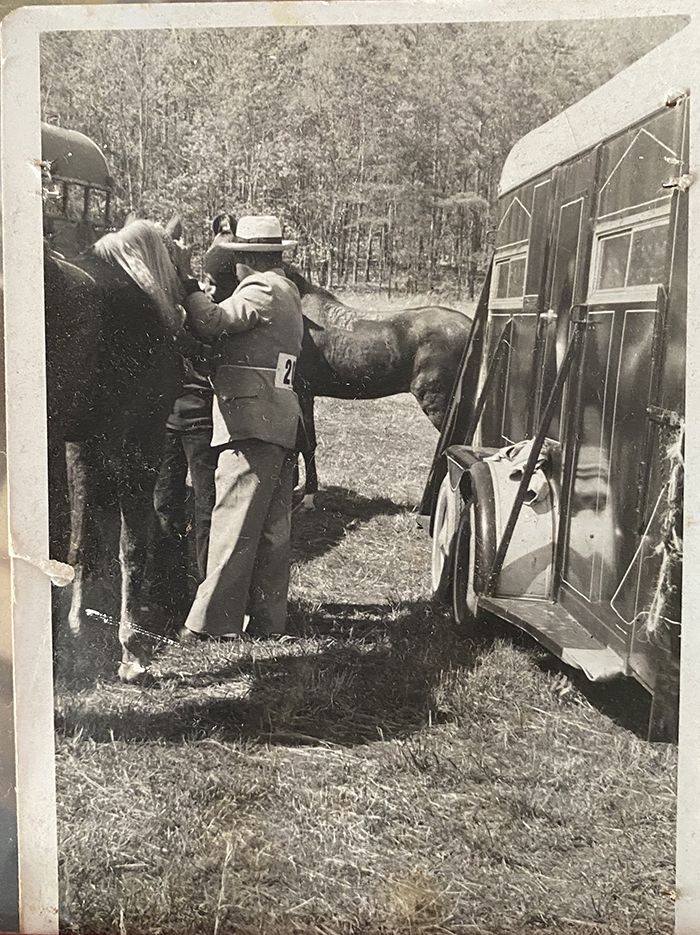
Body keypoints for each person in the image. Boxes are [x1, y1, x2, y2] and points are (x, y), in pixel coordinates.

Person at [178, 215, 303, 640]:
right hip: (279, 417)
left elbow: (212, 321)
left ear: (247, 257)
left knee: (233, 520)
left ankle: (208, 625)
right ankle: (267, 622)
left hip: (250, 419)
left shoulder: (261, 288)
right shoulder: (288, 290)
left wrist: (189, 285)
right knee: (271, 529)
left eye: (236, 258)